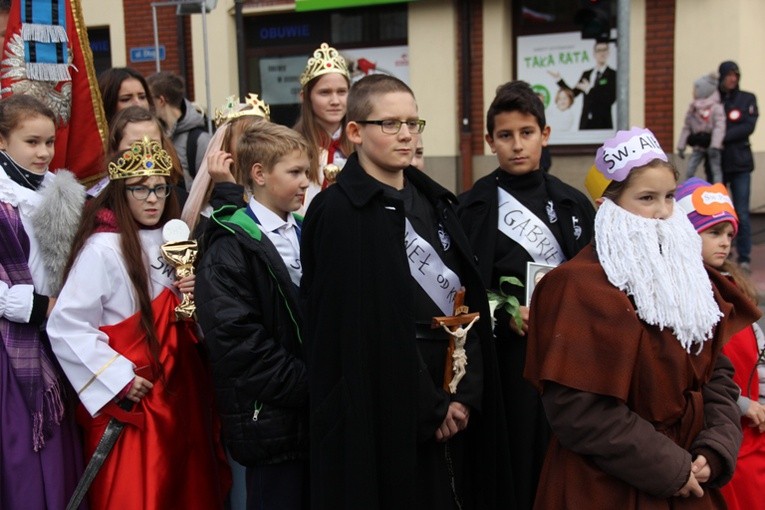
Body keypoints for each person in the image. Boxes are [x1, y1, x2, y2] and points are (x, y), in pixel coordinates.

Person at [300, 74, 511, 509]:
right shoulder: (338, 212)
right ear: (355, 132)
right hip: (387, 403)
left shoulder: (435, 201)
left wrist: (464, 393)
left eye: (413, 123)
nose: (406, 135)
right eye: (391, 124)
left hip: (454, 384)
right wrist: (429, 406)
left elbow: (466, 301)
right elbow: (349, 331)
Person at [524, 127, 760, 508]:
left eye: (669, 197)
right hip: (607, 485)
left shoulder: (691, 279)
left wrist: (715, 448)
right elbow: (578, 411)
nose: (664, 212)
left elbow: (716, 375)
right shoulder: (577, 287)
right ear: (607, 207)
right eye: (647, 198)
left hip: (693, 476)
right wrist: (670, 467)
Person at [47, 137, 230, 509]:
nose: (152, 198)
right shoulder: (103, 249)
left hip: (182, 392)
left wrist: (193, 295)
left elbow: (191, 323)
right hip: (138, 398)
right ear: (121, 192)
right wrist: (118, 377)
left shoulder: (174, 238)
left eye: (160, 188)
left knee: (189, 489)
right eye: (140, 189)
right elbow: (67, 324)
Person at [457, 80, 595, 509]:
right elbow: (461, 290)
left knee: (565, 459)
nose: (517, 145)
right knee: (512, 466)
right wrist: (503, 312)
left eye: (527, 133)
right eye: (505, 135)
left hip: (567, 362)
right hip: (505, 364)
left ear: (545, 134)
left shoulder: (574, 205)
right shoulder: (470, 208)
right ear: (490, 142)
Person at [196, 122, 314, 510]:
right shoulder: (229, 244)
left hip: (316, 420)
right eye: (295, 172)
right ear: (260, 174)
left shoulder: (305, 231)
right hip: (270, 422)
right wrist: (311, 384)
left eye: (306, 172)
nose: (305, 182)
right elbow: (238, 341)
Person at [0, 94, 85, 509]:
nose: (44, 153)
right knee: (20, 450)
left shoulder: (62, 189)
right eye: (31, 142)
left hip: (58, 334)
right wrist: (36, 305)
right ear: (2, 141)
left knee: (61, 444)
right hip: (10, 344)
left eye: (49, 142)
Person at [675, 177, 765, 510]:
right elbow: (699, 371)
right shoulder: (682, 295)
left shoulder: (733, 287)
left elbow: (759, 352)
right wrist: (743, 404)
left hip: (753, 428)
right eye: (713, 233)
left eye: (729, 235)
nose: (725, 243)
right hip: (718, 430)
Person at [181, 93, 272, 239]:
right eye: (248, 137)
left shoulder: (275, 192)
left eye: (266, 137)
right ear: (225, 145)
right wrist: (228, 188)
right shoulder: (208, 211)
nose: (258, 146)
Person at [293, 42, 354, 212]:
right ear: (305, 97)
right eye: (325, 92)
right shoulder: (290, 147)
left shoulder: (363, 144)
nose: (335, 101)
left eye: (341, 92)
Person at [718, 60, 758, 272]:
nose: (732, 79)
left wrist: (720, 136)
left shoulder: (747, 99)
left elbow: (747, 126)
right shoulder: (714, 100)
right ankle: (725, 250)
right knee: (721, 211)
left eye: (735, 75)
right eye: (729, 75)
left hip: (741, 163)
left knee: (741, 211)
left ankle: (744, 256)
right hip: (718, 164)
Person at [147, 71, 212, 191]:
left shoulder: (200, 140)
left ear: (161, 100)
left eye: (149, 99)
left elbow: (209, 188)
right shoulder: (155, 134)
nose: (146, 104)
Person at [552, 41, 616, 130]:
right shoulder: (587, 74)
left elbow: (610, 99)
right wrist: (559, 79)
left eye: (604, 50)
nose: (602, 53)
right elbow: (573, 93)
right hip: (586, 123)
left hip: (603, 124)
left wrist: (589, 90)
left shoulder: (613, 74)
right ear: (594, 54)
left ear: (608, 52)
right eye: (599, 50)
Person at [676, 73, 726, 183]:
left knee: (716, 170)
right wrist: (681, 146)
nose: (693, 92)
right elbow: (687, 127)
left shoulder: (716, 107)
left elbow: (720, 127)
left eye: (696, 88)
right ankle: (688, 190)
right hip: (698, 146)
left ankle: (719, 191)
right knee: (690, 169)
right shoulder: (693, 108)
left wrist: (715, 145)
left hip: (711, 145)